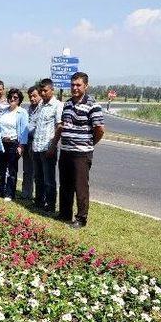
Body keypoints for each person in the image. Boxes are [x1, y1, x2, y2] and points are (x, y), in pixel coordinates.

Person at [50, 72, 105, 228]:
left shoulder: (93, 105)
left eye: (78, 85)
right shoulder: (67, 104)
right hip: (66, 151)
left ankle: (81, 218)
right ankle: (64, 213)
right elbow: (62, 126)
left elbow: (100, 130)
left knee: (80, 186)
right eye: (72, 84)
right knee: (65, 184)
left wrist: (89, 143)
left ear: (86, 86)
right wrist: (56, 144)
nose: (74, 87)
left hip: (81, 153)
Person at [33, 78, 63, 214]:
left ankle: (50, 205)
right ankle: (39, 201)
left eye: (45, 90)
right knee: (38, 178)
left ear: (52, 90)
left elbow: (59, 127)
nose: (43, 93)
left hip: (48, 149)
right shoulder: (41, 105)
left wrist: (52, 146)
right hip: (36, 147)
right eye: (41, 91)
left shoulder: (57, 105)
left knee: (49, 179)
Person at [0, 88, 29, 201]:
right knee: (1, 168)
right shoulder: (5, 111)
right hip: (2, 143)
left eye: (15, 98)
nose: (12, 99)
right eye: (11, 97)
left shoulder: (22, 112)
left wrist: (21, 146)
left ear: (19, 100)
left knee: (12, 169)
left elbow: (24, 130)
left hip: (14, 143)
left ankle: (9, 194)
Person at [21, 86, 41, 200]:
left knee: (37, 172)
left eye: (34, 96)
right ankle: (26, 193)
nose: (32, 98)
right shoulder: (30, 108)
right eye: (30, 96)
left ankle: (39, 197)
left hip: (37, 143)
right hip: (27, 142)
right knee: (27, 170)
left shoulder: (43, 108)